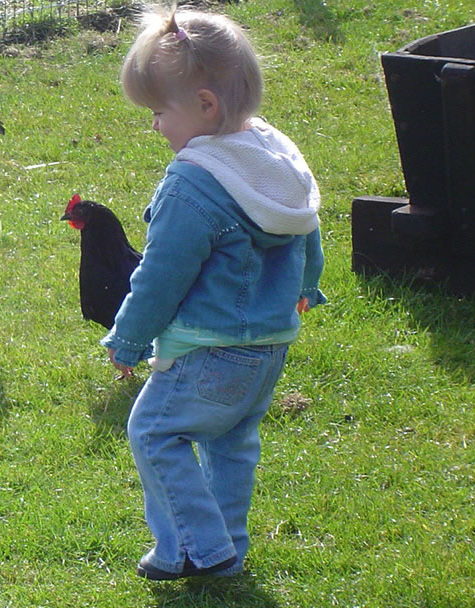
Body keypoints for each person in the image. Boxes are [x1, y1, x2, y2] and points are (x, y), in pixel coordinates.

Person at [101, 4, 326, 580]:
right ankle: (203, 552)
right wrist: (306, 285)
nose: (154, 125)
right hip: (270, 344)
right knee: (230, 444)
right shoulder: (274, 156)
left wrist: (126, 339)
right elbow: (305, 224)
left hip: (209, 347)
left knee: (154, 432)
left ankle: (204, 548)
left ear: (205, 105)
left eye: (158, 111)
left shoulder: (193, 182)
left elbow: (161, 274)